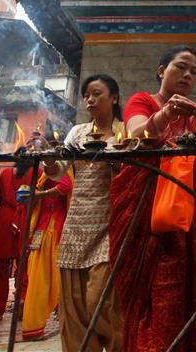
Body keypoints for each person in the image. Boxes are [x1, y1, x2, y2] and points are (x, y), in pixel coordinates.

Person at [110, 45, 196, 351]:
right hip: (147, 217)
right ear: (162, 70)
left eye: (194, 71)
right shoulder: (143, 101)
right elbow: (137, 135)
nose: (188, 75)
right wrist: (166, 114)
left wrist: (194, 159)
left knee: (190, 289)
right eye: (180, 67)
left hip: (184, 215)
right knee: (156, 293)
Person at [43, 74, 126, 352]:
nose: (90, 99)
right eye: (86, 95)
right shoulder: (77, 133)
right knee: (75, 309)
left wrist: (116, 162)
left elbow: (130, 177)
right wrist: (48, 162)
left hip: (108, 225)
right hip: (77, 225)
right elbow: (58, 174)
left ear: (114, 98)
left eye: (97, 93)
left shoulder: (124, 133)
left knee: (101, 300)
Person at [22, 167, 73, 340]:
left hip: (52, 225)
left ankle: (36, 324)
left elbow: (66, 186)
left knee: (44, 276)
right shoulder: (44, 167)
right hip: (43, 226)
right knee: (38, 274)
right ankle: (37, 323)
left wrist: (39, 195)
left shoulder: (56, 166)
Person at [0, 163, 32, 320]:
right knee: (24, 264)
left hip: (3, 219)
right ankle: (22, 305)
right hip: (24, 217)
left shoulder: (5, 174)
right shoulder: (35, 172)